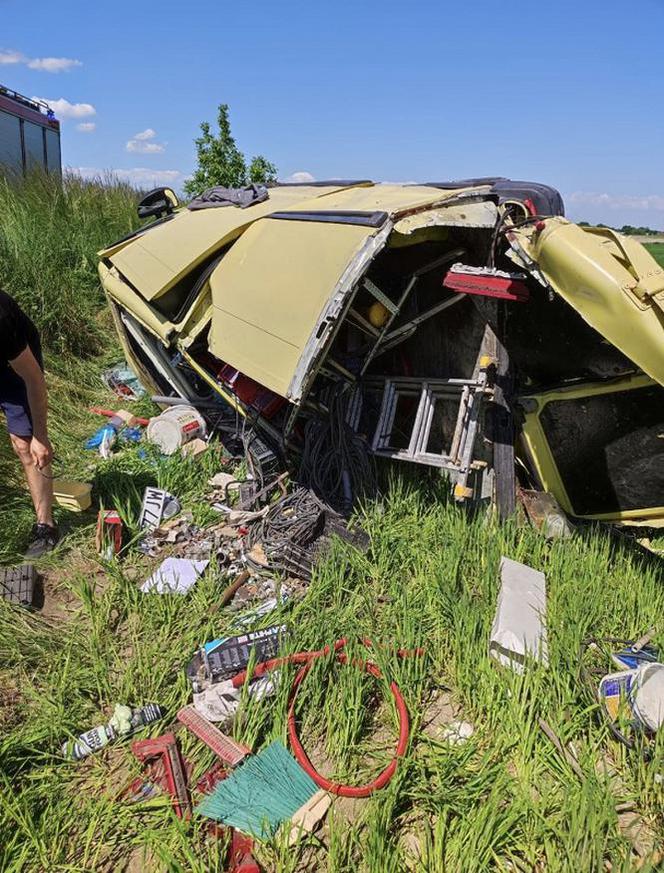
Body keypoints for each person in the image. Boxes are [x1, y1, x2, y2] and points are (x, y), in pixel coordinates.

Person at [0, 288, 59, 557]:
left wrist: (41, 437)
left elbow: (33, 379)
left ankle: (46, 527)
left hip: (13, 368)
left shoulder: (1, 321)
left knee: (25, 444)